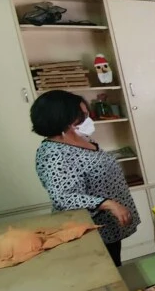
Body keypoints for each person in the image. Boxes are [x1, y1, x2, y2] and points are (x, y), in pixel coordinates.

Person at [31, 90, 139, 267]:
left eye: (85, 114)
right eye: (81, 116)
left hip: (108, 224)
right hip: (89, 228)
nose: (86, 119)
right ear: (61, 117)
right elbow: (63, 196)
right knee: (104, 273)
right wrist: (108, 203)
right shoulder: (53, 153)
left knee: (115, 264)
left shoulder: (81, 138)